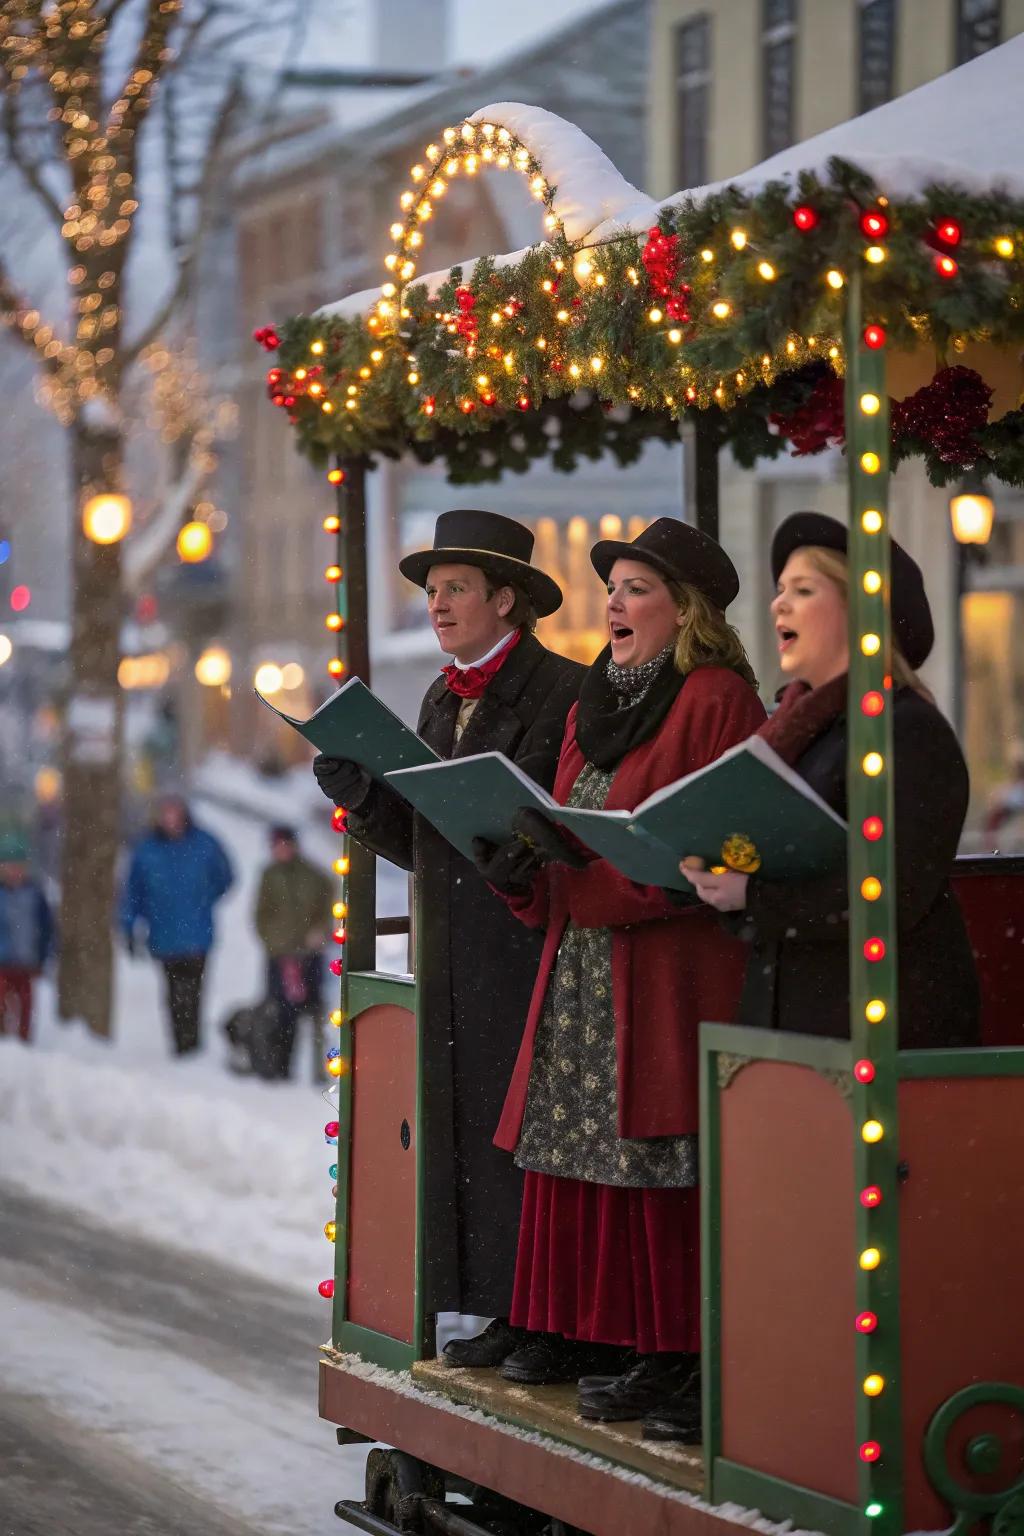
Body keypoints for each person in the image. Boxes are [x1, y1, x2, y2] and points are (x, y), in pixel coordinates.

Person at [475, 518, 766, 1435]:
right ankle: (588, 1330)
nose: (614, 604)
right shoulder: (590, 702)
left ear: (686, 611)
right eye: (613, 588)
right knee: (578, 1159)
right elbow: (566, 830)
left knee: (655, 1163)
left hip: (666, 971)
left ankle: (670, 1346)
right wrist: (523, 875)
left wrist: (609, 882)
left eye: (637, 588)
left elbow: (721, 845)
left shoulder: (717, 698)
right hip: (585, 966)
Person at [312, 509, 585, 1366]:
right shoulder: (439, 693)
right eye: (432, 592)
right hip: (452, 952)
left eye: (455, 588)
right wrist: (366, 797)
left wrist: (519, 849)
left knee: (527, 1136)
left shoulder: (562, 691)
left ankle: (547, 1317)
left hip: (524, 947)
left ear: (507, 598)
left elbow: (555, 823)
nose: (437, 604)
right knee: (470, 1134)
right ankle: (499, 1305)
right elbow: (428, 838)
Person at [680, 511, 980, 1053]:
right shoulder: (789, 734)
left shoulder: (906, 730)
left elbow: (893, 890)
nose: (778, 604)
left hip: (880, 1030)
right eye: (779, 591)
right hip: (786, 1027)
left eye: (803, 589)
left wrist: (752, 894)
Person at [120, 794, 234, 1056]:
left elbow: (226, 875)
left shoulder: (204, 843)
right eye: (165, 812)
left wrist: (206, 898)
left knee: (194, 991)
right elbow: (132, 892)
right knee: (172, 993)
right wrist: (129, 927)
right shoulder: (146, 849)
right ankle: (180, 1044)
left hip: (197, 934)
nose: (170, 818)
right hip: (163, 935)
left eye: (174, 811)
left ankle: (192, 1043)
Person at [254, 823, 333, 1080]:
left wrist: (319, 934)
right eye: (276, 845)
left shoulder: (315, 876)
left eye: (284, 844)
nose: (281, 850)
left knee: (314, 1011)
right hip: (279, 957)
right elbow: (260, 917)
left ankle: (318, 1070)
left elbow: (327, 911)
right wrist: (275, 945)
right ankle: (278, 1068)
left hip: (309, 957)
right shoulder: (269, 875)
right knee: (279, 1013)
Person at [0, 829, 53, 1043]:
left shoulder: (35, 894)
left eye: (18, 866)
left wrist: (43, 956)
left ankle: (24, 1043)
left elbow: (46, 928)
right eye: (9, 866)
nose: (14, 871)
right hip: (2, 963)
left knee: (26, 1006)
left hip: (26, 961)